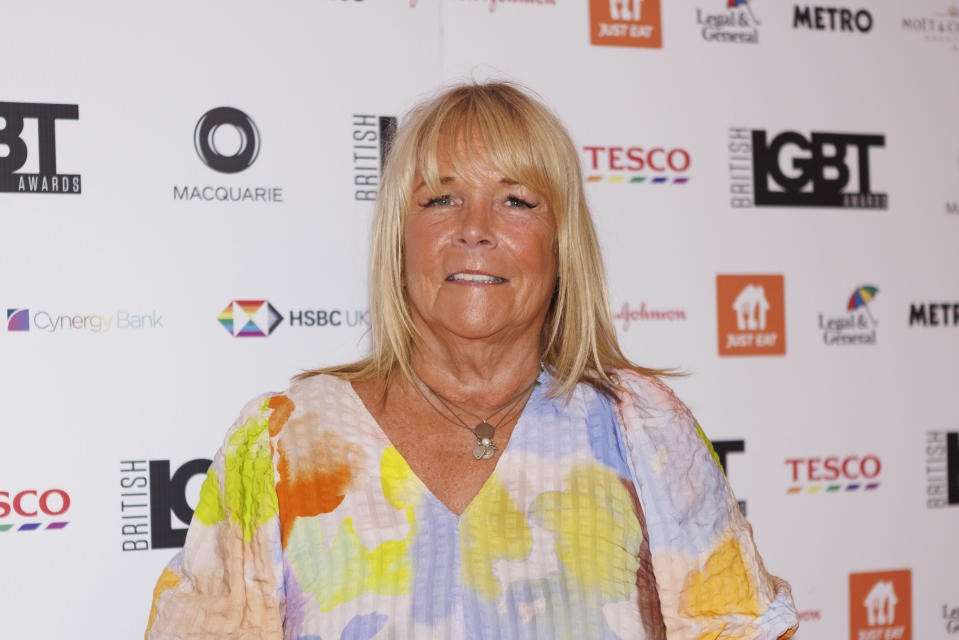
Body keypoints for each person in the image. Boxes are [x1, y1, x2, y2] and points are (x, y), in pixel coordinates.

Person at [146, 82, 798, 640]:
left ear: (561, 242)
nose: (475, 228)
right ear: (400, 240)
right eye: (440, 198)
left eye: (516, 200)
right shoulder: (285, 440)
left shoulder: (641, 430)